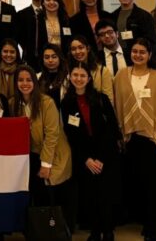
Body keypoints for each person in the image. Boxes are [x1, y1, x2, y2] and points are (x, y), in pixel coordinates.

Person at [113, 38, 156, 241]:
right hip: (130, 138)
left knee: (155, 186)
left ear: (150, 55)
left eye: (142, 52)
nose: (138, 55)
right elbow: (116, 105)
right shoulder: (121, 76)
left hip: (153, 139)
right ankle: (146, 222)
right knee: (138, 184)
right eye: (134, 51)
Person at [62, 62, 122, 241]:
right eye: (75, 75)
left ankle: (108, 230)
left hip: (106, 154)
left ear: (89, 78)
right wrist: (86, 159)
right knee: (90, 195)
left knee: (106, 194)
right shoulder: (66, 103)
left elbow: (112, 129)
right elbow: (71, 135)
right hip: (84, 157)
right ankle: (95, 231)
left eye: (82, 76)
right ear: (70, 78)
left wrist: (101, 158)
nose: (78, 79)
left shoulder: (101, 98)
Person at [12, 66, 74, 239]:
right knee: (35, 196)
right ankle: (37, 232)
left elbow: (52, 134)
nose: (25, 84)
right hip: (30, 155)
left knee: (51, 197)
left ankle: (56, 232)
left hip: (53, 154)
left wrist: (46, 164)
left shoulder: (46, 102)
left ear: (35, 82)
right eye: (20, 80)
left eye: (28, 80)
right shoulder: (13, 103)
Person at [109, 0, 156, 67]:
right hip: (118, 60)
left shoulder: (144, 16)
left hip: (139, 60)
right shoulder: (112, 16)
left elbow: (152, 43)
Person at [68, 35, 114, 106]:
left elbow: (109, 99)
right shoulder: (68, 71)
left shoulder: (102, 71)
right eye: (73, 49)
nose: (77, 51)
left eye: (81, 47)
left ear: (88, 49)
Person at [32, 0, 73, 65]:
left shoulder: (66, 20)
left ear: (59, 2)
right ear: (43, 3)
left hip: (64, 60)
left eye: (55, 0)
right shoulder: (36, 20)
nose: (51, 2)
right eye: (48, 0)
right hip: (44, 60)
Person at [14, 0, 47, 64]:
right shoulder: (21, 14)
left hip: (49, 57)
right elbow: (18, 37)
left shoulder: (50, 12)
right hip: (29, 58)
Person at [0, 39, 21, 104]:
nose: (8, 55)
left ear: (17, 54)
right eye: (5, 51)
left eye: (12, 52)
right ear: (0, 53)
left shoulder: (22, 71)